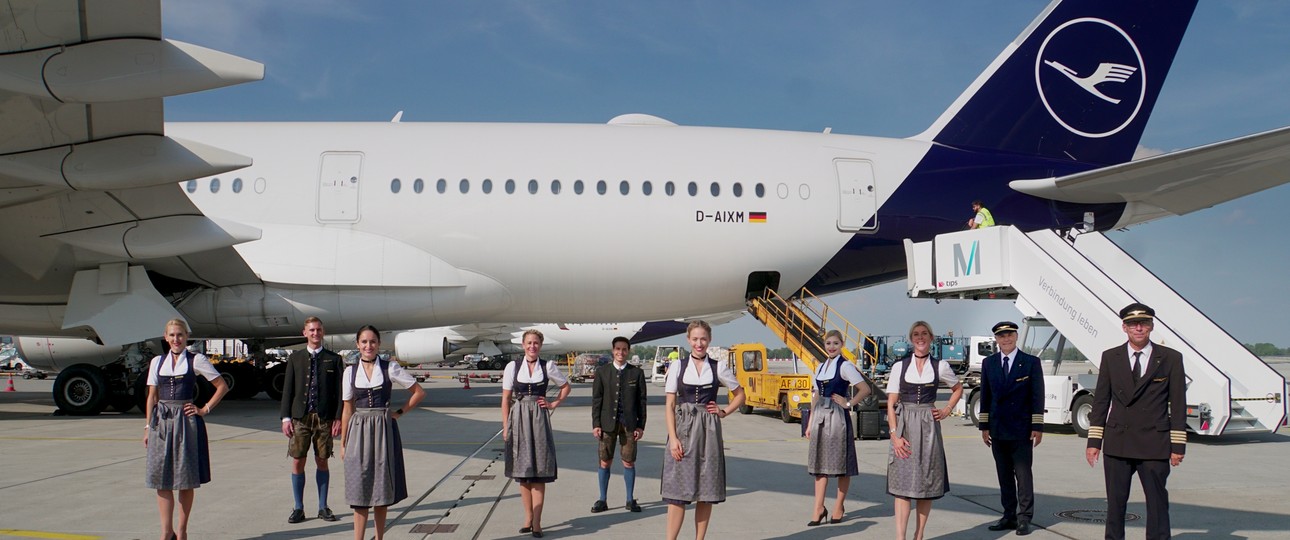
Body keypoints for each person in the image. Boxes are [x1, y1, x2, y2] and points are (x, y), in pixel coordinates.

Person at [1086, 303, 1186, 540]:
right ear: (1124, 327)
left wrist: (1178, 446)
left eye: (1144, 323)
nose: (1138, 328)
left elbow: (1179, 404)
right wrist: (1094, 442)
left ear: (1151, 326)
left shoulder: (1170, 358)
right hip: (1118, 441)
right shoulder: (1111, 357)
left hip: (1154, 442)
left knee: (1157, 503)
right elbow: (1101, 401)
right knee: (1116, 503)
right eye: (1133, 324)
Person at [144, 318, 230, 540]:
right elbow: (152, 396)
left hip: (185, 421)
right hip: (161, 421)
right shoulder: (157, 362)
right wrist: (147, 426)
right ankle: (166, 532)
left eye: (180, 335)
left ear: (186, 337)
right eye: (172, 335)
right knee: (161, 478)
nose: (176, 339)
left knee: (185, 478)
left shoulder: (195, 360)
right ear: (166, 337)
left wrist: (204, 409)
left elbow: (222, 386)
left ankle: (181, 531)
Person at [661, 320, 746, 540]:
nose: (700, 343)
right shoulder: (678, 366)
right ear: (688, 340)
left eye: (703, 339)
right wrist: (673, 438)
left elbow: (740, 395)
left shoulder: (718, 367)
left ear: (709, 340)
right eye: (695, 339)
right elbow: (670, 405)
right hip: (683, 429)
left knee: (705, 492)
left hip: (708, 431)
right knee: (677, 493)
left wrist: (723, 411)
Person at [340, 325, 425, 540]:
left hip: (383, 431)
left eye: (372, 342)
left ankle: (380, 538)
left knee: (381, 489)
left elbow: (418, 392)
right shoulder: (349, 372)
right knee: (359, 487)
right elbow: (347, 409)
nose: (368, 346)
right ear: (358, 344)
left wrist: (398, 412)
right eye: (364, 342)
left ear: (378, 344)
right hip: (358, 431)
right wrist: (343, 442)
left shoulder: (390, 368)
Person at [886, 320, 962, 540]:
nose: (920, 338)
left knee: (925, 482)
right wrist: (894, 435)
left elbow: (957, 389)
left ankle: (919, 535)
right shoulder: (899, 366)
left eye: (924, 334)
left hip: (929, 427)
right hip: (904, 426)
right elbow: (891, 404)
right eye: (916, 334)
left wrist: (947, 409)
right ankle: (900, 537)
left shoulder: (941, 366)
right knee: (901, 485)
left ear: (931, 338)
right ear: (911, 339)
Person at [502, 329, 572, 538]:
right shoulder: (512, 367)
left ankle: (538, 522)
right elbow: (506, 399)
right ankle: (528, 518)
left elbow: (566, 386)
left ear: (540, 346)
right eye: (529, 343)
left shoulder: (547, 365)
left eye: (536, 343)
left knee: (539, 471)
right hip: (519, 417)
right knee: (523, 474)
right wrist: (506, 426)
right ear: (523, 345)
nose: (532, 346)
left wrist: (554, 403)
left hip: (540, 418)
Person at [977, 321, 1044, 536]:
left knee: (1023, 475)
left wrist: (1037, 425)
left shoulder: (1031, 362)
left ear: (1016, 336)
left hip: (1021, 428)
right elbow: (985, 396)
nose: (1006, 339)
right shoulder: (989, 363)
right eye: (1001, 336)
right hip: (997, 428)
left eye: (1009, 335)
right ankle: (1009, 515)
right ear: (996, 339)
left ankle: (1024, 517)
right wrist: (984, 426)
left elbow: (1037, 395)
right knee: (1004, 475)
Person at [279, 316, 344, 523]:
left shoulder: (334, 359)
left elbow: (340, 391)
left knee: (322, 460)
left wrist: (338, 418)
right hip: (300, 417)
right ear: (304, 333)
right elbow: (287, 390)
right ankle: (298, 507)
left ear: (323, 332)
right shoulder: (295, 358)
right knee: (298, 460)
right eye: (312, 330)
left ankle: (323, 506)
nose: (315, 333)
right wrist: (285, 418)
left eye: (318, 330)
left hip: (324, 417)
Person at [805, 329, 871, 526]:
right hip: (820, 417)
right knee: (819, 465)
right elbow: (815, 396)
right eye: (828, 344)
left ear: (841, 345)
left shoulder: (845, 366)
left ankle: (838, 506)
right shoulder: (820, 367)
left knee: (841, 465)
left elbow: (865, 389)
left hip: (837, 417)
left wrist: (848, 403)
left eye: (835, 343)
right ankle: (818, 508)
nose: (831, 347)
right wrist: (809, 423)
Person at [591, 336, 648, 513]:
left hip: (629, 424)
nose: (620, 352)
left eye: (624, 349)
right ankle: (602, 499)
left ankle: (630, 499)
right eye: (617, 349)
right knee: (604, 461)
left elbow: (642, 401)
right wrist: (596, 423)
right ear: (612, 350)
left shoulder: (636, 373)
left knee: (629, 462)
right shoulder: (602, 372)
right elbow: (596, 400)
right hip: (607, 423)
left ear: (628, 351)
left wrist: (641, 425)